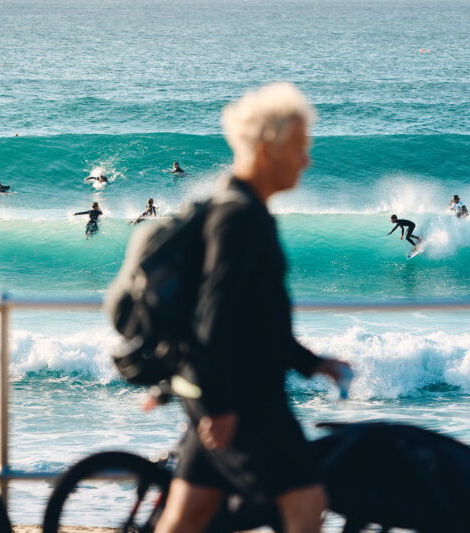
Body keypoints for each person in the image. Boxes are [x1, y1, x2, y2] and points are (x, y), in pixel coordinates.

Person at [154, 83, 350, 533]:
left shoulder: (246, 209)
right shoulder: (239, 217)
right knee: (306, 503)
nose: (307, 160)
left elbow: (257, 315)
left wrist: (310, 362)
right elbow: (214, 315)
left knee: (189, 515)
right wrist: (221, 407)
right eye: (300, 148)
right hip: (243, 397)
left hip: (231, 389)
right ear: (267, 149)